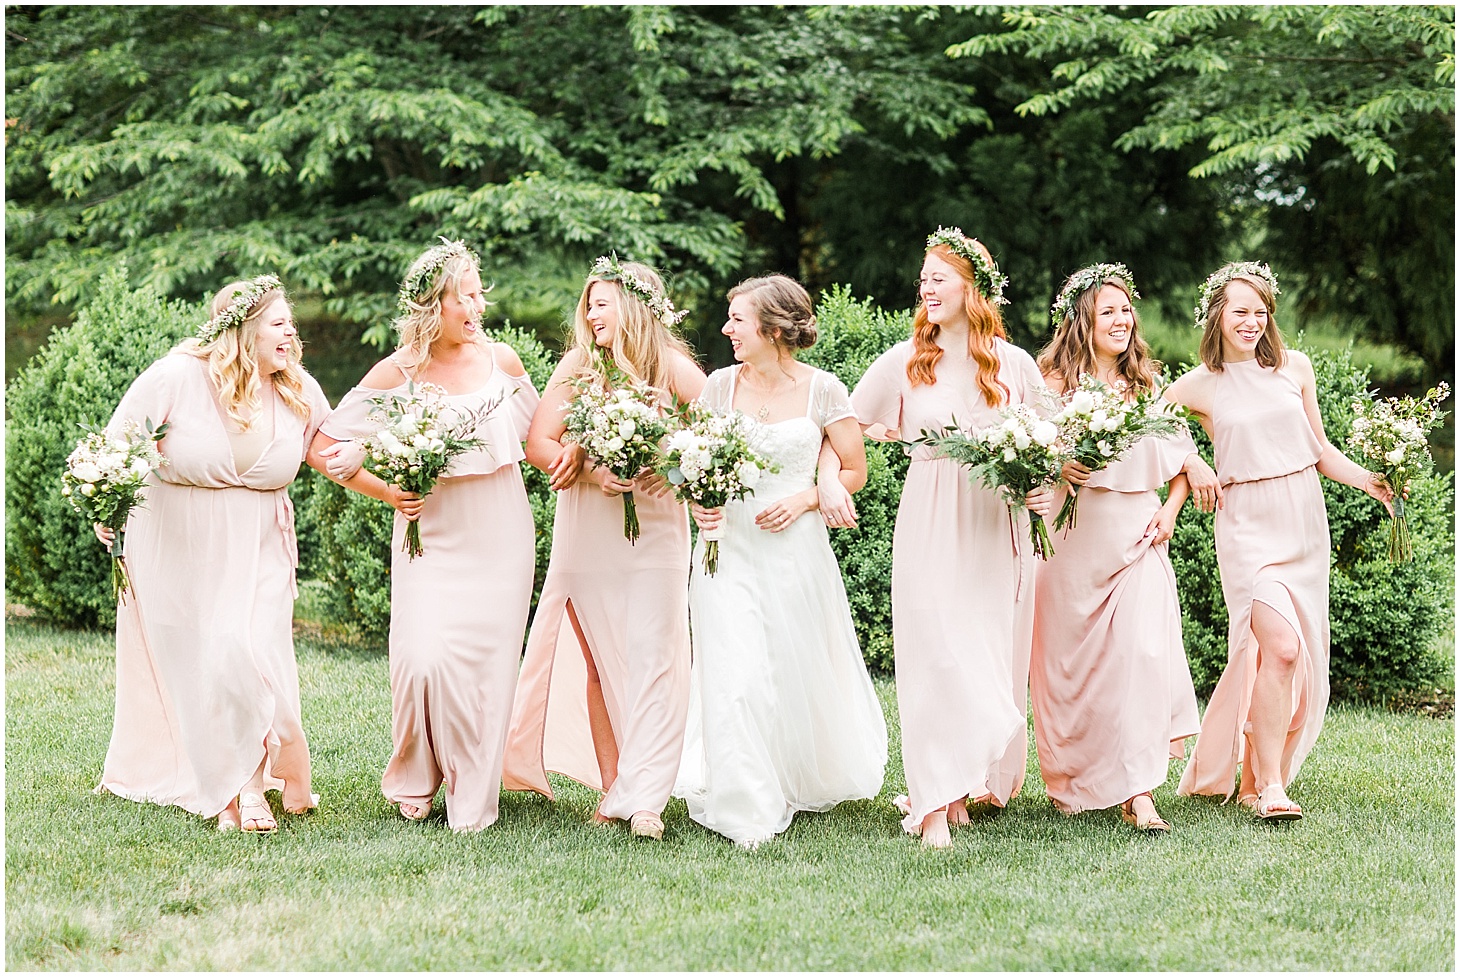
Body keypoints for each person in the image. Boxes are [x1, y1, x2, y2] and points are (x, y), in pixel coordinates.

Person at [307, 239, 539, 831]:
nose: (479, 306)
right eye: (467, 297)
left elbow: (540, 439)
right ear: (435, 305)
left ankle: (471, 784)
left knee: (486, 669)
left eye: (480, 294)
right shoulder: (399, 371)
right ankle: (417, 771)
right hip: (429, 533)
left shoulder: (503, 363)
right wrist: (386, 489)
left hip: (501, 532)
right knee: (422, 659)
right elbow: (325, 445)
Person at [96, 275, 331, 833]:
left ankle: (248, 786)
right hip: (182, 546)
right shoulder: (176, 376)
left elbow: (331, 443)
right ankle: (240, 787)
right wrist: (108, 507)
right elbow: (117, 445)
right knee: (216, 664)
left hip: (263, 546)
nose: (291, 333)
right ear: (244, 331)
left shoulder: (296, 386)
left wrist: (398, 468)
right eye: (279, 323)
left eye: (290, 323)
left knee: (250, 654)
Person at [849, 227, 1053, 849]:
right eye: (923, 279)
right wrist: (836, 477)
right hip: (931, 517)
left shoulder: (1015, 365)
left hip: (995, 522)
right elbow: (845, 424)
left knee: (980, 657)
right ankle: (934, 801)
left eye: (938, 278)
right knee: (934, 653)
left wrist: (1046, 489)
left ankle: (962, 784)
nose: (926, 288)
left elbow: (1055, 444)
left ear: (974, 288)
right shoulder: (904, 361)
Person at [1167, 261, 1393, 820]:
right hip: (1246, 525)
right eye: (1240, 311)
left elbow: (1319, 450)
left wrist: (1370, 481)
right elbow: (1153, 423)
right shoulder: (1200, 384)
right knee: (1282, 646)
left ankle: (1254, 778)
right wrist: (1193, 460)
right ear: (1217, 315)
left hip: (1302, 521)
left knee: (1287, 656)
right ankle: (1271, 786)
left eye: (1260, 311)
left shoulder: (1295, 367)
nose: (1252, 321)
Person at [672, 275, 887, 848]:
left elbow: (854, 470)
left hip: (793, 550)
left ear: (772, 329)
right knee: (734, 669)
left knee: (785, 669)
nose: (727, 329)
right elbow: (691, 463)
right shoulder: (719, 387)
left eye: (737, 320)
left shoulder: (823, 390)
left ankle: (787, 773)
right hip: (726, 547)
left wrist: (807, 498)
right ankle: (746, 803)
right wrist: (698, 501)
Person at [502, 255, 706, 841]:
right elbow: (539, 442)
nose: (590, 315)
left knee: (656, 657)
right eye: (587, 304)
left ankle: (647, 799)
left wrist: (672, 467)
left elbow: (719, 440)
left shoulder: (673, 369)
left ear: (635, 309)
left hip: (657, 530)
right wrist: (592, 470)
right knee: (597, 657)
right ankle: (616, 786)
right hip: (587, 529)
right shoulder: (579, 365)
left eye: (601, 304)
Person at [1030, 264, 1213, 833]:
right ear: (1080, 321)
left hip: (1136, 538)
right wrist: (1059, 464)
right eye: (1107, 311)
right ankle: (1073, 778)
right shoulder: (1049, 385)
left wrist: (1170, 510)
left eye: (1126, 310)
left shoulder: (1146, 385)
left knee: (1142, 655)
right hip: (1069, 545)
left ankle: (1139, 793)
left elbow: (1178, 457)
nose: (1121, 320)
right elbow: (1026, 457)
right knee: (1069, 670)